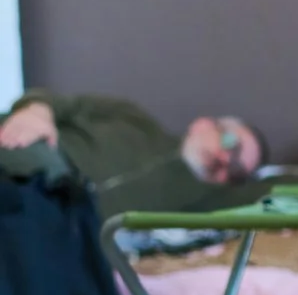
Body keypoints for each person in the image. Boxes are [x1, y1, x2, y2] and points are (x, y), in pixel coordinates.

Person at [0, 91, 266, 219]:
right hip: (26, 152)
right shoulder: (131, 117)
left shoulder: (199, 204)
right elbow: (58, 101)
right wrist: (36, 112)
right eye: (231, 144)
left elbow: (287, 190)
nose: (224, 159)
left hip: (45, 220)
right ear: (203, 124)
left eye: (235, 170)